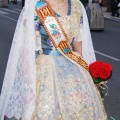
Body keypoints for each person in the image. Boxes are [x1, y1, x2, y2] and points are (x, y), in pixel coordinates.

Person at [0, 0, 108, 119]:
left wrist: (90, 71)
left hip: (74, 67)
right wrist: (28, 84)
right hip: (46, 69)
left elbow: (78, 43)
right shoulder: (36, 6)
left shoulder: (77, 5)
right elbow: (27, 49)